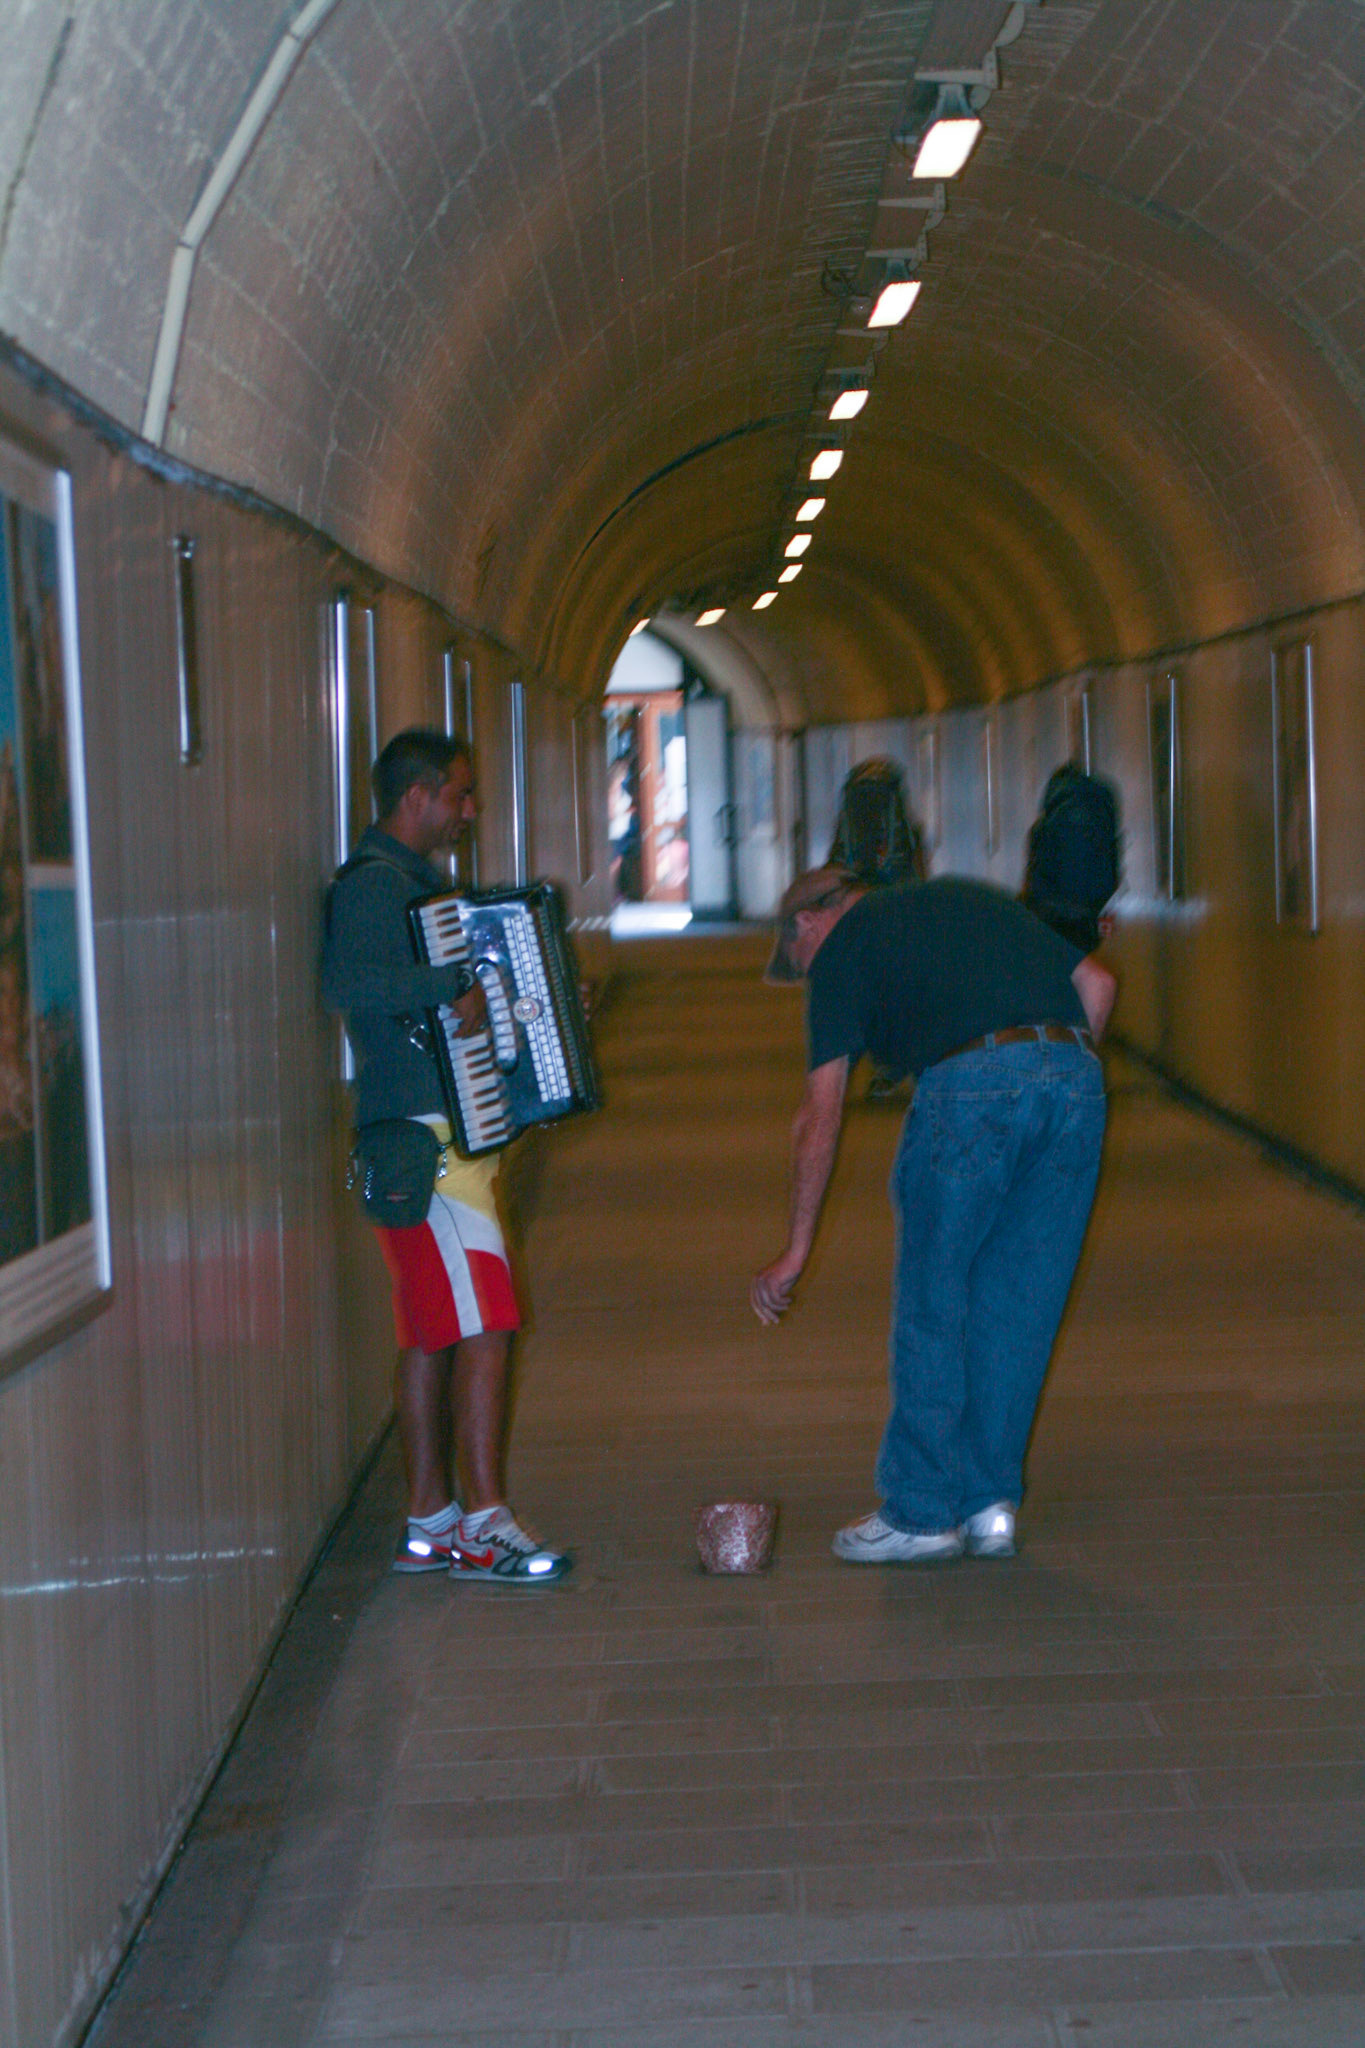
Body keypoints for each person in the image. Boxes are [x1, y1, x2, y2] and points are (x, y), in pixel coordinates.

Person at [751, 865, 1116, 1564]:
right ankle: (989, 1506)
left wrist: (795, 1249)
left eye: (795, 960)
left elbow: (819, 1115)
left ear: (804, 925)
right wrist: (1049, 1081)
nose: (804, 971)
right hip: (1073, 1076)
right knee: (1019, 1305)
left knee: (934, 1299)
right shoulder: (962, 896)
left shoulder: (839, 951)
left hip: (968, 1086)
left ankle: (921, 1513)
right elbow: (1097, 984)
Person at [322, 727, 570, 1583]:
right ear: (416, 796)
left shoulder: (417, 892)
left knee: (435, 1332)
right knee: (489, 1323)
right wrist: (448, 987)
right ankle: (486, 1523)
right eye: (459, 796)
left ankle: (431, 1518)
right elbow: (349, 985)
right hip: (423, 1144)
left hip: (436, 1139)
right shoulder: (370, 889)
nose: (467, 813)